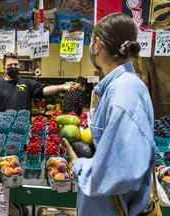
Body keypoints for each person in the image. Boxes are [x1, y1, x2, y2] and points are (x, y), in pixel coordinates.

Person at [62, 13, 155, 216]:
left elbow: (122, 171)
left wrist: (79, 165)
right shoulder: (123, 87)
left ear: (97, 45)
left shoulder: (124, 91)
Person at [0, 53, 77, 112]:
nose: (13, 67)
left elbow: (44, 90)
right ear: (4, 67)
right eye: (10, 65)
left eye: (15, 64)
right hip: (1, 130)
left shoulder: (27, 83)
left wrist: (63, 86)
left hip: (22, 130)